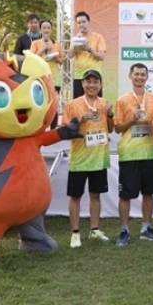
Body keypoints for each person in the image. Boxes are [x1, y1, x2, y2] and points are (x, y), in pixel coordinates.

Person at [62, 69, 113, 248]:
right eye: (88, 81)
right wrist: (81, 119)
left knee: (95, 195)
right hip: (79, 159)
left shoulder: (105, 103)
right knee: (75, 196)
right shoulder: (72, 104)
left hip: (99, 158)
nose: (92, 85)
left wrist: (110, 114)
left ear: (100, 85)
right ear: (83, 84)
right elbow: (65, 131)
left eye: (95, 82)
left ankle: (94, 229)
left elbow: (111, 129)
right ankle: (75, 233)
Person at [113, 63, 153, 246]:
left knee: (149, 192)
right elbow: (118, 128)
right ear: (130, 76)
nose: (140, 77)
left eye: (143, 74)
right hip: (129, 153)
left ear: (147, 77)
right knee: (125, 195)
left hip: (149, 153)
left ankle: (146, 228)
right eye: (136, 74)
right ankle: (124, 230)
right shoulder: (122, 100)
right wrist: (131, 120)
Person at [30, 19, 63, 129]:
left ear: (51, 30)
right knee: (40, 103)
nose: (46, 30)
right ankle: (40, 128)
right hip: (40, 78)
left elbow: (61, 61)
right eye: (44, 28)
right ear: (40, 30)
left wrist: (54, 56)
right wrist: (42, 49)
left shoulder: (57, 44)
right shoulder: (35, 43)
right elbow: (31, 59)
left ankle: (53, 129)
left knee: (54, 104)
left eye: (48, 28)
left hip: (54, 78)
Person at [68, 11, 106, 98]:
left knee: (96, 102)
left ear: (88, 22)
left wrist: (89, 49)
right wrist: (75, 44)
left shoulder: (98, 37)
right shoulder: (75, 39)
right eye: (79, 23)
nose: (82, 24)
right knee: (78, 103)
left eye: (84, 22)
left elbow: (102, 57)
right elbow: (70, 55)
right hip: (79, 76)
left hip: (94, 75)